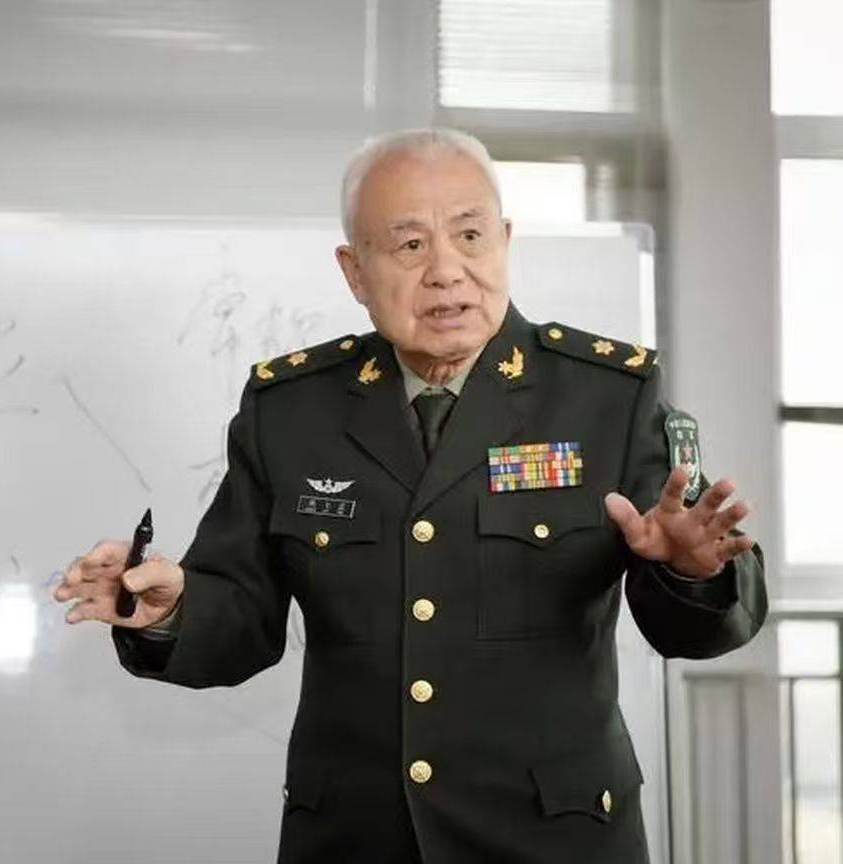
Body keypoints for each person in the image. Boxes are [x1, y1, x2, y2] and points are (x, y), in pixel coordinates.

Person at [53, 128, 767, 863]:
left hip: (552, 837)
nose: (447, 272)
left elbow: (693, 630)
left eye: (470, 236)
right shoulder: (292, 410)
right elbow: (242, 616)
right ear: (354, 272)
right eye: (411, 245)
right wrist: (171, 609)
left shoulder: (606, 397)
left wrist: (692, 570)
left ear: (505, 242)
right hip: (354, 838)